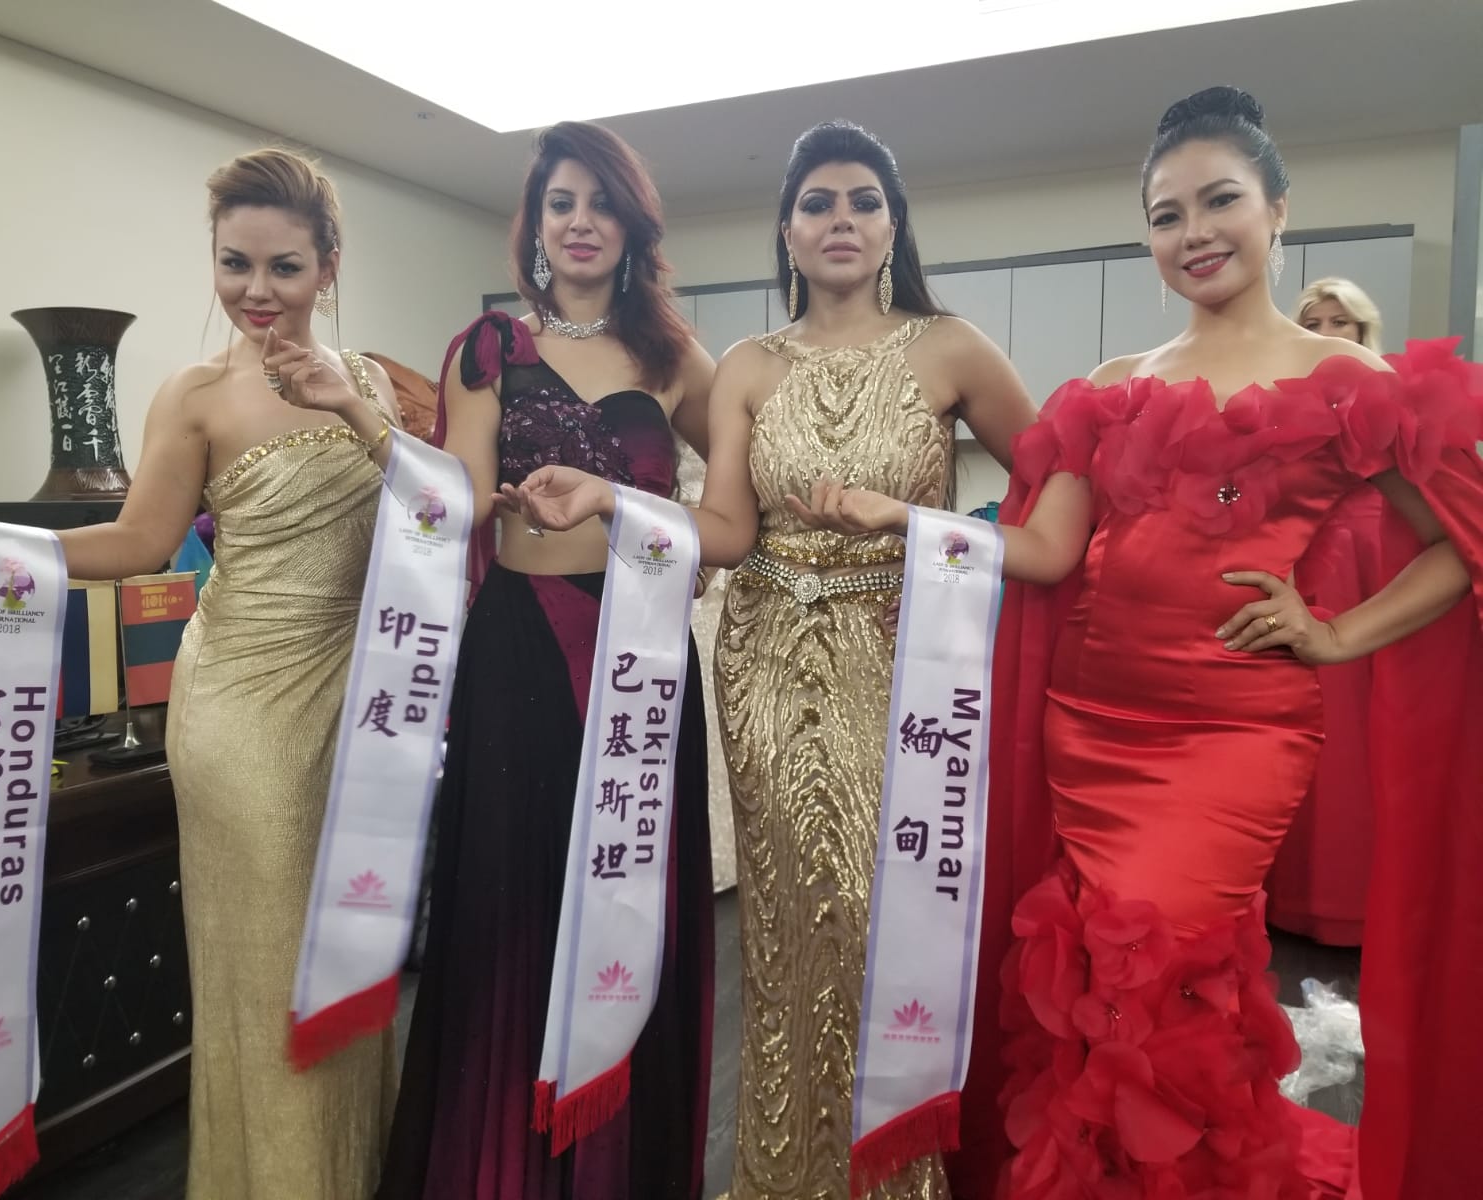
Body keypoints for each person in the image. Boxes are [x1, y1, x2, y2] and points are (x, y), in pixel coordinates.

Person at [790, 87, 1483, 1199]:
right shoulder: (1110, 391)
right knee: (1098, 982)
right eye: (1167, 215)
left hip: (1238, 732)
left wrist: (1337, 632)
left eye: (1220, 201)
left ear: (1277, 210)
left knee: (1159, 966)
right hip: (1090, 725)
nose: (1194, 232)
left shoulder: (1347, 382)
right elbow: (1048, 552)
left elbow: (1460, 542)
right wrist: (904, 521)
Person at [505, 119, 1036, 1200]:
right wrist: (610, 498)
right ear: (786, 231)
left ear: (893, 225)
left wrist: (928, 535)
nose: (840, 221)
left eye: (863, 202)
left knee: (881, 918)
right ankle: (784, 1176)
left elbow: (1059, 486)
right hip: (766, 664)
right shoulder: (749, 364)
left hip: (902, 665)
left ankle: (889, 1181)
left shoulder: (951, 348)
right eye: (816, 204)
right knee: (788, 931)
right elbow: (728, 532)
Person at [0, 148, 403, 1199]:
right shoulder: (195, 394)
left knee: (356, 946)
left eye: (284, 266)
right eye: (234, 263)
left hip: (360, 707)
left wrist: (355, 411)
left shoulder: (370, 384)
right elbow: (138, 542)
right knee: (272, 966)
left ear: (329, 266)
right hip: (246, 714)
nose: (256, 290)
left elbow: (431, 519)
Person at [375, 120, 717, 1200]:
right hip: (520, 648)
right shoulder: (489, 350)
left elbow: (735, 513)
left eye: (602, 203)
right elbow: (460, 503)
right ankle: (499, 1168)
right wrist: (365, 424)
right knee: (512, 902)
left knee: (630, 895)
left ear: (633, 226)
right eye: (562, 202)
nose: (581, 222)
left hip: (641, 658)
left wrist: (634, 509)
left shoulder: (677, 360)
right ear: (535, 225)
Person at [1268, 276, 1390, 945]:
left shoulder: (1384, 392)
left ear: (1363, 330)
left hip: (1379, 561)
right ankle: (1298, 894)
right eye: (1312, 321)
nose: (1325, 332)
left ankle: (1358, 898)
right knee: (1315, 725)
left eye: (1339, 321)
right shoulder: (1283, 399)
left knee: (1370, 733)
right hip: (1309, 562)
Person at [1295, 276, 1384, 351]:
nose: (1325, 334)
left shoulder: (1382, 367)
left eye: (1339, 323)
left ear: (1361, 331)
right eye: (1313, 325)